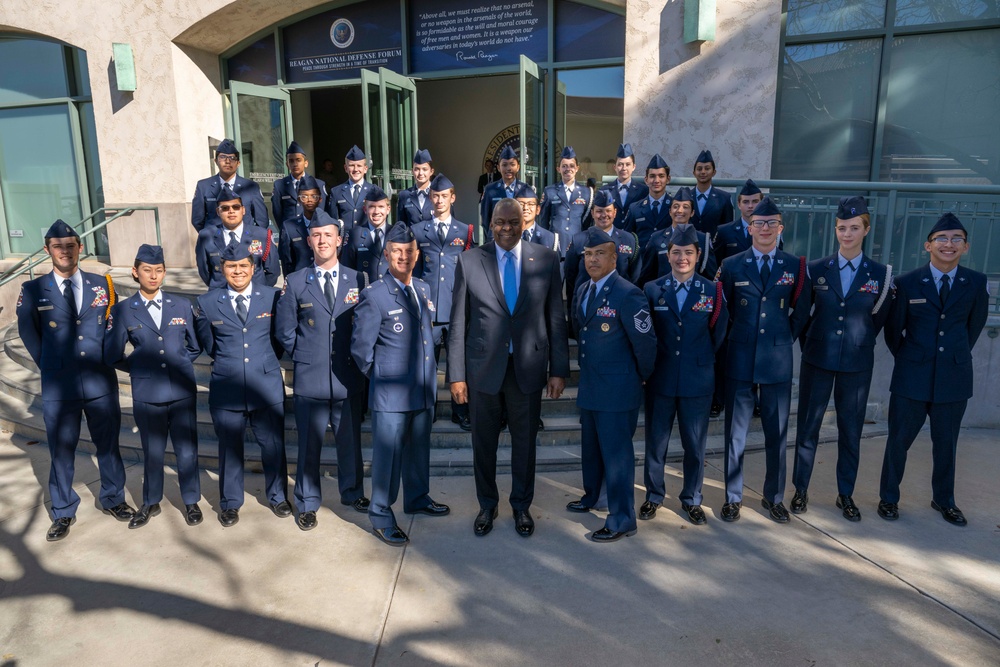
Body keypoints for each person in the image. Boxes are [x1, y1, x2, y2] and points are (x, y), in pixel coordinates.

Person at [448, 198, 569, 538]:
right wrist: (456, 375)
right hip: (483, 370)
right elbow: (459, 323)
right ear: (490, 223)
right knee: (483, 444)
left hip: (527, 369)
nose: (506, 228)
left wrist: (558, 368)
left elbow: (556, 318)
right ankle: (487, 504)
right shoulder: (470, 261)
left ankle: (521, 505)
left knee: (525, 444)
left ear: (525, 222)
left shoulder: (545, 259)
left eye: (513, 222)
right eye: (500, 222)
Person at [16, 220, 134, 541]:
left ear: (80, 248)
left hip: (99, 382)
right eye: (58, 246)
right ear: (47, 250)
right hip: (59, 385)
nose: (64, 252)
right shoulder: (32, 290)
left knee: (108, 446)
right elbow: (29, 333)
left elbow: (112, 327)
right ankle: (63, 510)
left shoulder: (102, 284)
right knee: (62, 449)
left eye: (70, 245)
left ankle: (113, 498)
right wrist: (50, 365)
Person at [878, 212, 988, 526]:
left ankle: (944, 500)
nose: (948, 244)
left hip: (953, 378)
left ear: (965, 247)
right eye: (941, 238)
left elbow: (973, 328)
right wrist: (911, 358)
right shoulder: (907, 282)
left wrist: (951, 357)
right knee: (898, 441)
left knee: (947, 445)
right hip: (911, 377)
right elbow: (893, 330)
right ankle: (889, 498)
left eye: (956, 239)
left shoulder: (975, 282)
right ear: (928, 245)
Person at [791, 196, 891, 522]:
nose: (847, 234)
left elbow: (877, 320)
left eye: (853, 228)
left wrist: (855, 343)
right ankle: (801, 489)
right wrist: (816, 346)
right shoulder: (816, 269)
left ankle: (845, 494)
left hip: (856, 364)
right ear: (835, 229)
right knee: (808, 428)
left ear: (866, 229)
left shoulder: (880, 274)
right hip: (817, 360)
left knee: (850, 431)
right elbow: (805, 317)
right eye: (841, 228)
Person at [352, 223, 451, 546]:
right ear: (387, 254)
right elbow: (361, 351)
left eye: (409, 251)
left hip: (422, 389)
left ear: (417, 254)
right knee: (388, 459)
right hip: (391, 395)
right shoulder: (375, 295)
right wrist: (383, 378)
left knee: (418, 452)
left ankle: (417, 497)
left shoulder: (422, 289)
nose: (403, 256)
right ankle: (381, 514)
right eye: (397, 251)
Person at [718, 197, 811, 523]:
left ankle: (774, 498)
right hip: (740, 358)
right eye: (759, 223)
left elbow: (801, 311)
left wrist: (783, 336)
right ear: (750, 227)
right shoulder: (731, 265)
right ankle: (733, 497)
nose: (765, 228)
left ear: (781, 228)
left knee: (777, 433)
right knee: (736, 434)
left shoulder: (795, 266)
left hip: (776, 360)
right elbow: (723, 311)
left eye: (772, 223)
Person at [275, 215, 369, 531]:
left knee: (350, 441)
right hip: (310, 377)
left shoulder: (359, 280)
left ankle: (352, 492)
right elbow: (285, 330)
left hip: (347, 377)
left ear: (339, 240)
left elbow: (364, 326)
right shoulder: (297, 281)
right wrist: (306, 357)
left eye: (328, 235)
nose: (323, 241)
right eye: (316, 235)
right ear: (310, 241)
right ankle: (306, 502)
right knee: (309, 447)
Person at [567, 227, 657, 542]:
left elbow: (645, 344)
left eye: (599, 253)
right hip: (591, 385)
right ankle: (593, 496)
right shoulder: (582, 290)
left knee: (617, 457)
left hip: (619, 390)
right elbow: (582, 332)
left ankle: (622, 519)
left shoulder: (628, 293)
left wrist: (640, 377)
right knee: (591, 450)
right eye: (588, 254)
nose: (592, 259)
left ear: (614, 256)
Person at [104, 244, 203, 529]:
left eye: (159, 270)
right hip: (147, 393)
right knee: (153, 451)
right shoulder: (123, 310)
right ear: (135, 272)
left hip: (182, 390)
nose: (153, 276)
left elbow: (194, 346)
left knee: (187, 450)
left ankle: (191, 500)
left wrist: (180, 362)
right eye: (147, 270)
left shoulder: (181, 305)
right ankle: (150, 502)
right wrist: (140, 369)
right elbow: (112, 353)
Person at [194, 244, 290, 527]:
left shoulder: (273, 297)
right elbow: (209, 344)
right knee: (229, 448)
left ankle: (278, 496)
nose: (238, 271)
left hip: (265, 385)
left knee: (273, 445)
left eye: (243, 266)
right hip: (227, 386)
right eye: (231, 266)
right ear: (222, 269)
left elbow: (278, 339)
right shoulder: (207, 303)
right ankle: (230, 502)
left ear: (253, 267)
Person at [642, 224, 729, 525]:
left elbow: (718, 335)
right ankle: (654, 495)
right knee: (656, 442)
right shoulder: (653, 290)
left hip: (697, 379)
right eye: (676, 252)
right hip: (661, 379)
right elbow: (647, 335)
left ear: (698, 255)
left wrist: (700, 360)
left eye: (688, 253)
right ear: (668, 256)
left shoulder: (712, 290)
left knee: (694, 445)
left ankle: (692, 498)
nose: (682, 258)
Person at [411, 173, 475, 431]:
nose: (439, 200)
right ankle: (430, 410)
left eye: (444, 196)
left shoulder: (465, 230)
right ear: (430, 198)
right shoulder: (418, 230)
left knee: (459, 364)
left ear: (453, 198)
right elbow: (413, 272)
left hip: (457, 308)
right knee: (428, 365)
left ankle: (461, 411)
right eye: (435, 196)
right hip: (429, 310)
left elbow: (471, 270)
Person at [711, 178, 770, 418]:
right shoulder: (725, 231)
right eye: (746, 202)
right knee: (724, 354)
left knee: (754, 355)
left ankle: (753, 399)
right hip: (730, 304)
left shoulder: (768, 231)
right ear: (738, 204)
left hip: (756, 303)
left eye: (755, 201)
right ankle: (719, 399)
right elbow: (716, 264)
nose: (750, 206)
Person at [564, 190, 641, 324]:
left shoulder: (629, 240)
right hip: (588, 306)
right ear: (593, 213)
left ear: (615, 213)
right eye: (599, 211)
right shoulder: (579, 240)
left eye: (608, 211)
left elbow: (634, 276)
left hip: (620, 306)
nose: (604, 215)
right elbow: (571, 275)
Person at [195, 185, 278, 288]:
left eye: (236, 207)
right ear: (218, 212)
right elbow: (204, 271)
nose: (231, 211)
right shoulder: (206, 236)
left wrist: (260, 293)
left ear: (243, 210)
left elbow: (273, 271)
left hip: (255, 297)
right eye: (225, 208)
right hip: (221, 295)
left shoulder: (261, 235)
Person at [637, 187, 716, 287]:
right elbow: (647, 275)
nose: (680, 210)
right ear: (670, 211)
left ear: (692, 213)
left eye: (686, 207)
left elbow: (710, 276)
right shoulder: (657, 238)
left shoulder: (703, 239)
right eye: (676, 206)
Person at [191, 138, 268, 231]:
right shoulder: (204, 186)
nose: (227, 161)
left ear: (238, 163)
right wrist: (210, 238)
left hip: (245, 241)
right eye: (223, 157)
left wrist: (252, 239)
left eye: (232, 158)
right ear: (215, 161)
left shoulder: (251, 187)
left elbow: (262, 220)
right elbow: (197, 220)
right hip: (216, 242)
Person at [538, 146, 592, 256]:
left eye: (572, 166)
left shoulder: (586, 193)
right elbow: (543, 221)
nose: (568, 169)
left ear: (577, 168)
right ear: (559, 169)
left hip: (578, 245)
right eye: (564, 166)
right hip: (556, 246)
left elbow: (587, 222)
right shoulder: (550, 191)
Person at [277, 175, 332, 278]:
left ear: (320, 199)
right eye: (304, 196)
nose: (309, 200)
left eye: (313, 196)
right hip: (300, 279)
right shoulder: (289, 227)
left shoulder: (331, 225)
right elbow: (287, 261)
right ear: (299, 199)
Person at [341, 185, 392, 286]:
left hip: (391, 295)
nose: (376, 212)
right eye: (372, 207)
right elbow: (346, 270)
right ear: (365, 209)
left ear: (388, 209)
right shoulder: (354, 235)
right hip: (364, 294)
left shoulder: (396, 233)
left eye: (381, 207)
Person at [479, 145, 530, 242]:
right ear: (498, 167)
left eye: (512, 164)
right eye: (504, 165)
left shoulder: (525, 189)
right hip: (496, 239)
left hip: (520, 238)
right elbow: (485, 218)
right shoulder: (490, 189)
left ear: (518, 167)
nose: (509, 168)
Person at [272, 141, 328, 225]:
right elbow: (277, 212)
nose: (295, 164)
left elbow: (321, 210)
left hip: (312, 230)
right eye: (291, 161)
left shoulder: (318, 184)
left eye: (298, 160)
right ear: (287, 164)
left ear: (306, 163)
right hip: (290, 231)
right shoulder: (279, 185)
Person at [625, 153, 673, 250]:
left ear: (668, 179)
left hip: (666, 261)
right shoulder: (635, 208)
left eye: (661, 176)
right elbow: (628, 239)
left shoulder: (675, 207)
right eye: (652, 176)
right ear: (646, 180)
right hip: (642, 262)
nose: (656, 180)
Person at [599, 143, 648, 229]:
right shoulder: (604, 190)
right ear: (615, 167)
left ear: (634, 167)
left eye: (628, 164)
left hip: (634, 238)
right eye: (620, 164)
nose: (624, 168)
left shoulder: (643, 191)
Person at [689, 149, 734, 239]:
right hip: (689, 247)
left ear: (714, 172)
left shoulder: (724, 198)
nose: (703, 172)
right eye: (699, 169)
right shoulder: (686, 196)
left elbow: (727, 228)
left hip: (714, 249)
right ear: (694, 173)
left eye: (707, 168)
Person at [328, 145, 373, 232]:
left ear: (365, 169)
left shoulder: (374, 191)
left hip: (368, 241)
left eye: (359, 166)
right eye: (352, 165)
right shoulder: (336, 192)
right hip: (345, 242)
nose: (356, 169)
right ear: (345, 168)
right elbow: (333, 222)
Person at [397, 149, 436, 226]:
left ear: (431, 171)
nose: (421, 173)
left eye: (424, 169)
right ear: (412, 171)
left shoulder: (439, 194)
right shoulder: (404, 195)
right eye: (417, 169)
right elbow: (401, 225)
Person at [517, 186, 559, 252]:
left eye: (530, 204)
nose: (525, 208)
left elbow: (556, 262)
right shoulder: (506, 236)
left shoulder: (550, 238)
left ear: (538, 210)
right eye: (521, 204)